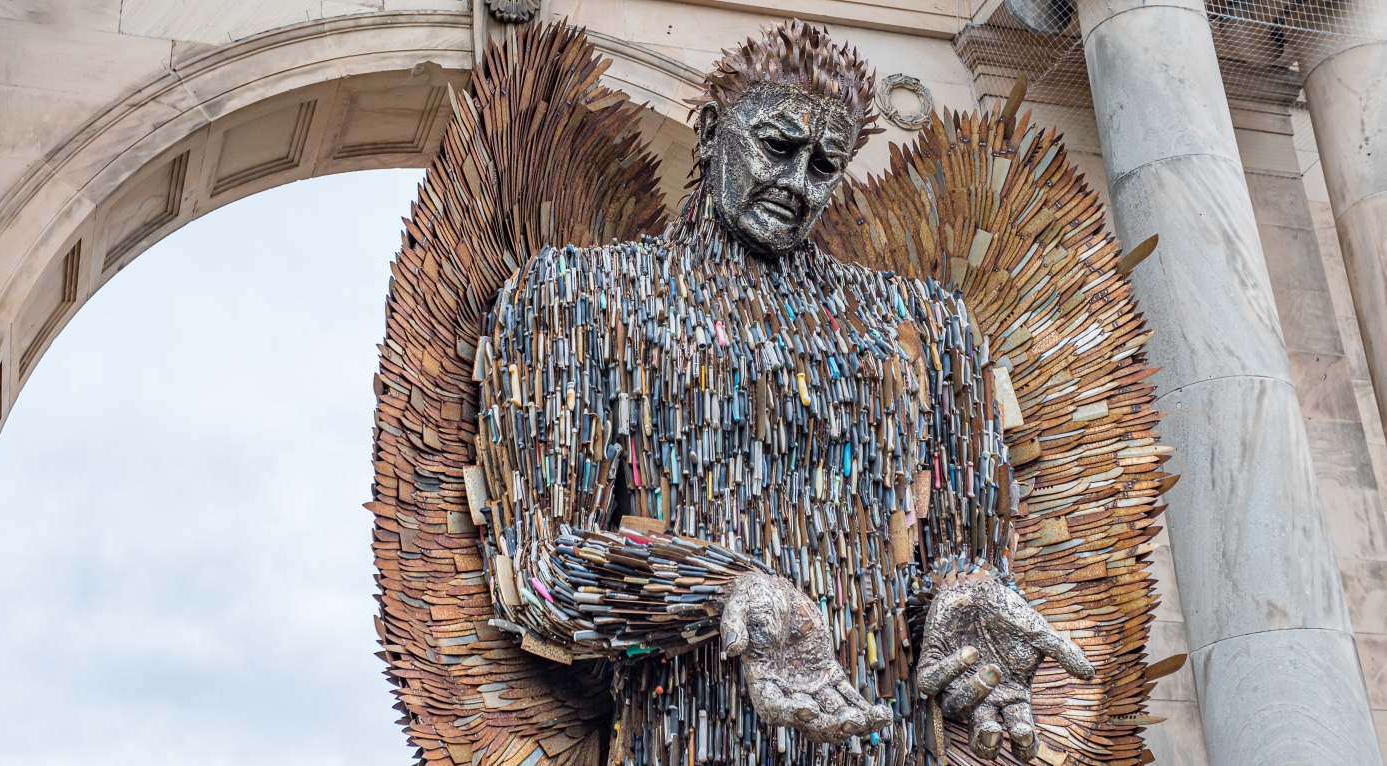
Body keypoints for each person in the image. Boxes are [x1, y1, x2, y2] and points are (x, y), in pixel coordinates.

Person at [468, 20, 1093, 763]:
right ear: (710, 132)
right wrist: (724, 594)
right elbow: (534, 568)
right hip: (690, 733)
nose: (797, 185)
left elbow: (964, 547)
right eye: (776, 147)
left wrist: (968, 596)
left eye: (824, 164)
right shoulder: (579, 295)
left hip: (887, 737)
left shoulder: (929, 325)